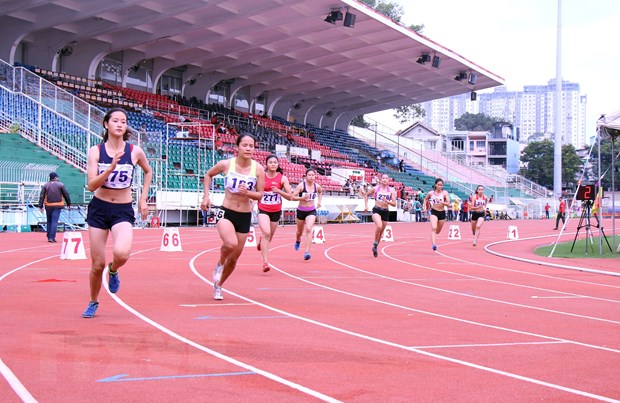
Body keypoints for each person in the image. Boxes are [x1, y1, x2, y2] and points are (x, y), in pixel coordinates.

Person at [82, 108, 153, 318]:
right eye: (115, 121)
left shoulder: (134, 151)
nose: (120, 124)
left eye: (123, 121)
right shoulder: (95, 151)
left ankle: (113, 270)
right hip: (99, 208)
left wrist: (143, 199)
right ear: (106, 124)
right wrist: (110, 168)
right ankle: (93, 301)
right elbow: (91, 186)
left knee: (122, 253)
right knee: (97, 264)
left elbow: (148, 171)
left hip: (122, 209)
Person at [201, 134, 265, 300]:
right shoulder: (226, 164)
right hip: (226, 211)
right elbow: (208, 175)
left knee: (235, 258)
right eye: (245, 145)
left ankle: (219, 285)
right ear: (238, 147)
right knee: (230, 243)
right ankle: (220, 263)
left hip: (244, 216)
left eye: (251, 145)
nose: (248, 148)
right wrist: (206, 197)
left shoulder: (258, 169)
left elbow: (260, 195)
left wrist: (248, 193)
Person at [256, 154, 294, 272]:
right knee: (266, 232)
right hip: (263, 209)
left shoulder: (282, 178)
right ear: (266, 164)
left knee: (269, 237)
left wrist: (278, 191)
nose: (273, 164)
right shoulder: (261, 177)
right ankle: (265, 262)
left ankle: (262, 241)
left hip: (276, 210)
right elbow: (256, 192)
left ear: (278, 165)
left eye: (275, 162)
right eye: (270, 162)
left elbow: (290, 197)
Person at [292, 168, 324, 261]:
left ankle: (307, 252)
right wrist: (301, 198)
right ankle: (298, 240)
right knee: (299, 232)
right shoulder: (301, 186)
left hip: (311, 210)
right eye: (309, 175)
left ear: (315, 176)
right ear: (306, 176)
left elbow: (320, 192)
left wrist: (319, 202)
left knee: (309, 229)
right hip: (301, 211)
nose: (311, 177)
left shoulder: (317, 186)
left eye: (312, 175)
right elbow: (293, 197)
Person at [364, 173, 397, 257]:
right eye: (383, 178)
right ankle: (375, 242)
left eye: (386, 178)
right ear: (380, 179)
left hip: (385, 211)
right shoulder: (375, 188)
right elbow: (366, 195)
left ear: (388, 180)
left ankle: (375, 247)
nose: (385, 180)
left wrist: (387, 201)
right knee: (379, 226)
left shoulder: (392, 190)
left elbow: (394, 204)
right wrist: (366, 206)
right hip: (376, 210)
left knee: (381, 232)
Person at [38, 171, 71, 243]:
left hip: (48, 205)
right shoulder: (60, 185)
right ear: (55, 177)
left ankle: (49, 236)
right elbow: (66, 194)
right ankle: (52, 237)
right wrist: (69, 203)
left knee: (49, 221)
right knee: (54, 221)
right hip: (58, 205)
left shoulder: (45, 185)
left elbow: (42, 196)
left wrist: (40, 206)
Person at [423, 178, 450, 251]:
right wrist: (424, 207)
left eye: (441, 185)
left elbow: (448, 203)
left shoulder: (445, 193)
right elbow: (425, 199)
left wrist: (441, 202)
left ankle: (432, 234)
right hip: (434, 211)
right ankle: (434, 244)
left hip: (442, 212)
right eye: (438, 185)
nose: (440, 186)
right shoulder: (431, 193)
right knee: (434, 228)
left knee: (438, 231)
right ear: (435, 185)